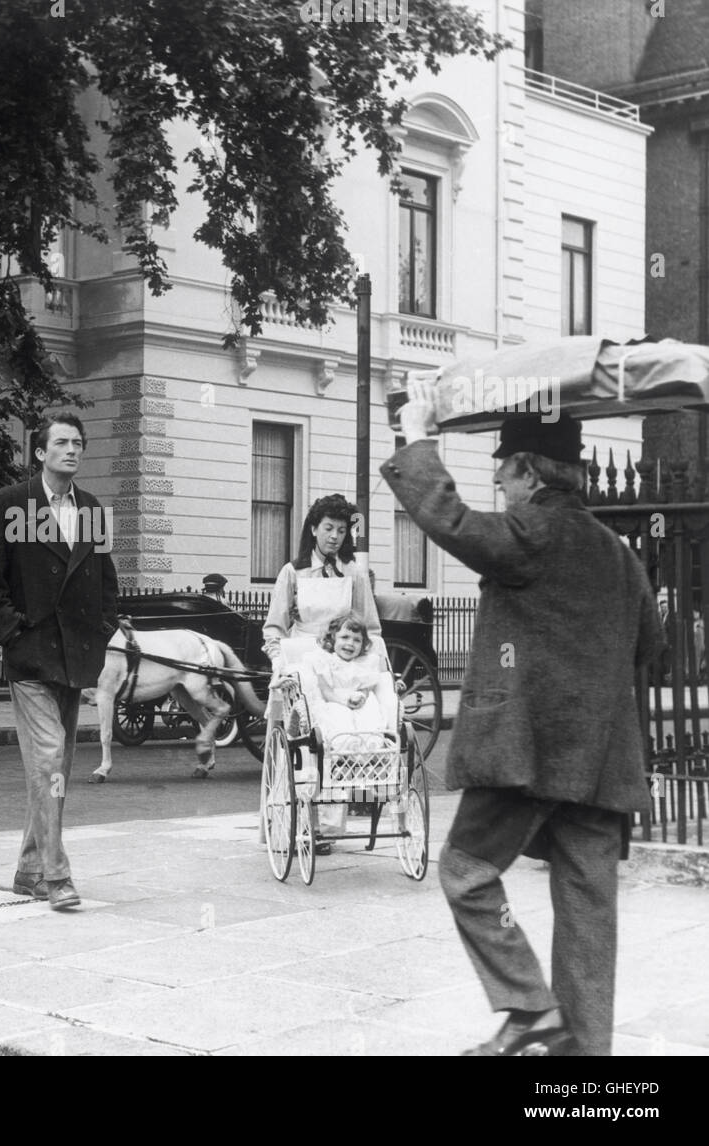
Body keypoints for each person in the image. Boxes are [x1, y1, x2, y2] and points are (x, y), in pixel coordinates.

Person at [383, 386, 664, 1057]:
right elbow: (654, 647)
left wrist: (416, 438)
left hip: (526, 756)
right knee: (589, 920)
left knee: (464, 873)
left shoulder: (534, 530)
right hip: (603, 769)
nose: (500, 486)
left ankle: (528, 1009)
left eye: (503, 473)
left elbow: (449, 520)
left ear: (531, 472)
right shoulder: (621, 553)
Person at [0, 412, 119, 911]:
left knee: (55, 767)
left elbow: (106, 582)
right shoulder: (11, 504)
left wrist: (101, 630)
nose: (71, 450)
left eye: (78, 442)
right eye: (61, 443)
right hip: (31, 659)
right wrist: (13, 634)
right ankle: (57, 876)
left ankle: (28, 869)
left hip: (76, 660)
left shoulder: (92, 509)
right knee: (51, 757)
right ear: (40, 452)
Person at [262, 493, 381, 852]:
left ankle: (327, 826)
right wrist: (280, 663)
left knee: (336, 738)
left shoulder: (353, 574)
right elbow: (274, 628)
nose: (334, 537)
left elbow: (369, 628)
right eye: (328, 528)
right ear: (313, 528)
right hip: (301, 663)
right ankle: (294, 821)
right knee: (301, 745)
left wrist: (367, 666)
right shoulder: (292, 572)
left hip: (340, 667)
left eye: (341, 531)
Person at [308, 612, 386, 749]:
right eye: (344, 637)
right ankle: (346, 744)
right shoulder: (325, 661)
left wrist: (362, 696)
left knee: (369, 711)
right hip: (335, 699)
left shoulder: (365, 663)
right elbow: (326, 692)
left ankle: (371, 743)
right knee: (339, 715)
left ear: (363, 644)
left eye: (357, 640)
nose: (350, 643)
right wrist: (344, 702)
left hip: (358, 700)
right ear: (333, 639)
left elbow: (366, 686)